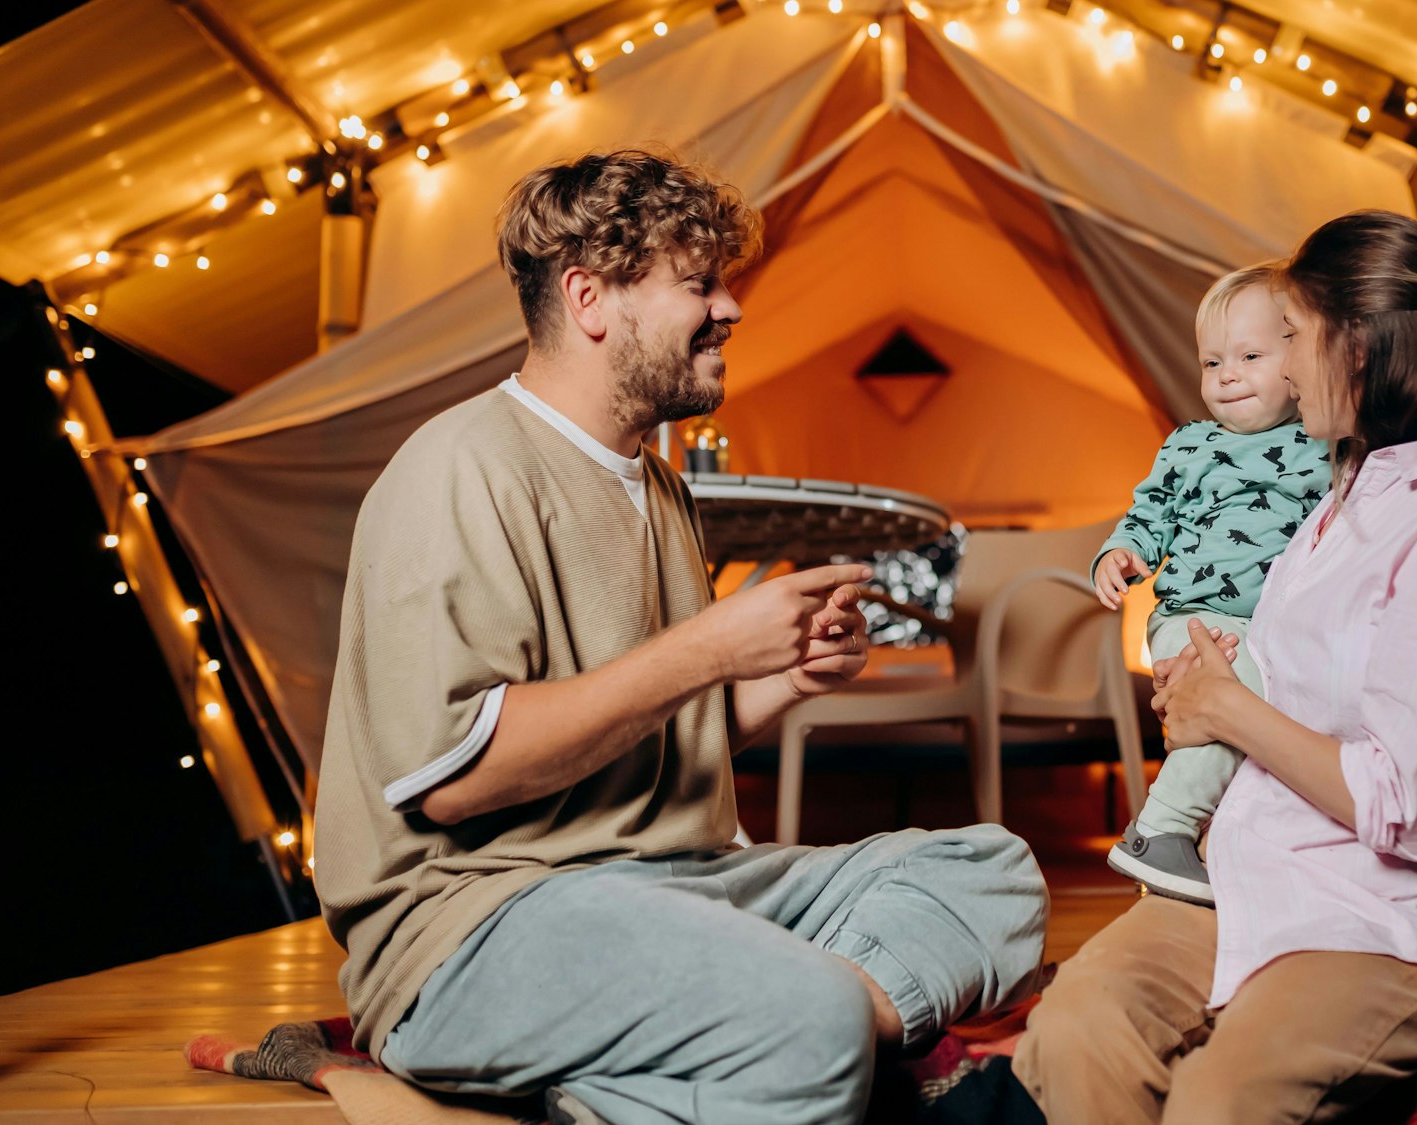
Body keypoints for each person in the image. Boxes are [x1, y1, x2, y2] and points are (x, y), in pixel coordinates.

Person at [312, 149, 1048, 1125]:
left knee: (991, 870)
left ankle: (729, 1047)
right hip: (483, 923)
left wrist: (780, 677)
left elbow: (652, 737)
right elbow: (455, 777)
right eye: (699, 284)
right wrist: (708, 649)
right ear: (589, 300)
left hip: (686, 884)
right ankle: (784, 1029)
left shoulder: (660, 491)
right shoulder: (458, 470)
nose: (731, 309)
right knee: (810, 1003)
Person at [1015, 209, 1417, 1123]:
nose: (1278, 365)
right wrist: (1202, 684)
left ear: (1356, 349)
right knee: (1076, 1031)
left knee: (1219, 1103)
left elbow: (1412, 810)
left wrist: (1227, 711)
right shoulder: (1334, 501)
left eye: (1296, 338)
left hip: (1375, 922)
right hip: (1235, 885)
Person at [1091, 266, 1330, 905]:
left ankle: (1221, 849)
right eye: (1212, 361)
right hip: (1193, 614)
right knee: (1230, 691)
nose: (1226, 375)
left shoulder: (1325, 443)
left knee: (1250, 717)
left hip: (1276, 627)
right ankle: (1162, 829)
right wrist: (1119, 551)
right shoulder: (1190, 445)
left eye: (1250, 356)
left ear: (1301, 357)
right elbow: (1150, 512)